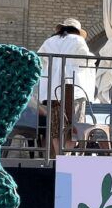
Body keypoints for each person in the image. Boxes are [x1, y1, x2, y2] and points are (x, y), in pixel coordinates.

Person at [37, 18, 94, 155]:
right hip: (74, 88)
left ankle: (59, 155)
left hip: (52, 90)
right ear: (76, 30)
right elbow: (85, 59)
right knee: (76, 125)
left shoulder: (49, 42)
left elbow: (40, 60)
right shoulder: (78, 40)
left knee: (56, 125)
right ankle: (67, 156)